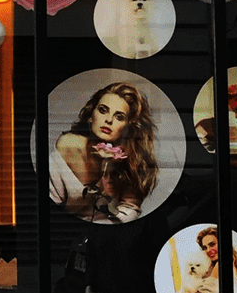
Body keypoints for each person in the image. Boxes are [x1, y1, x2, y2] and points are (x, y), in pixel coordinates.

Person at [49, 82, 158, 222]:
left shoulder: (131, 159)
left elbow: (129, 211)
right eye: (102, 110)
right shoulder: (68, 146)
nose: (108, 120)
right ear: (91, 115)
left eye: (119, 117)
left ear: (128, 126)